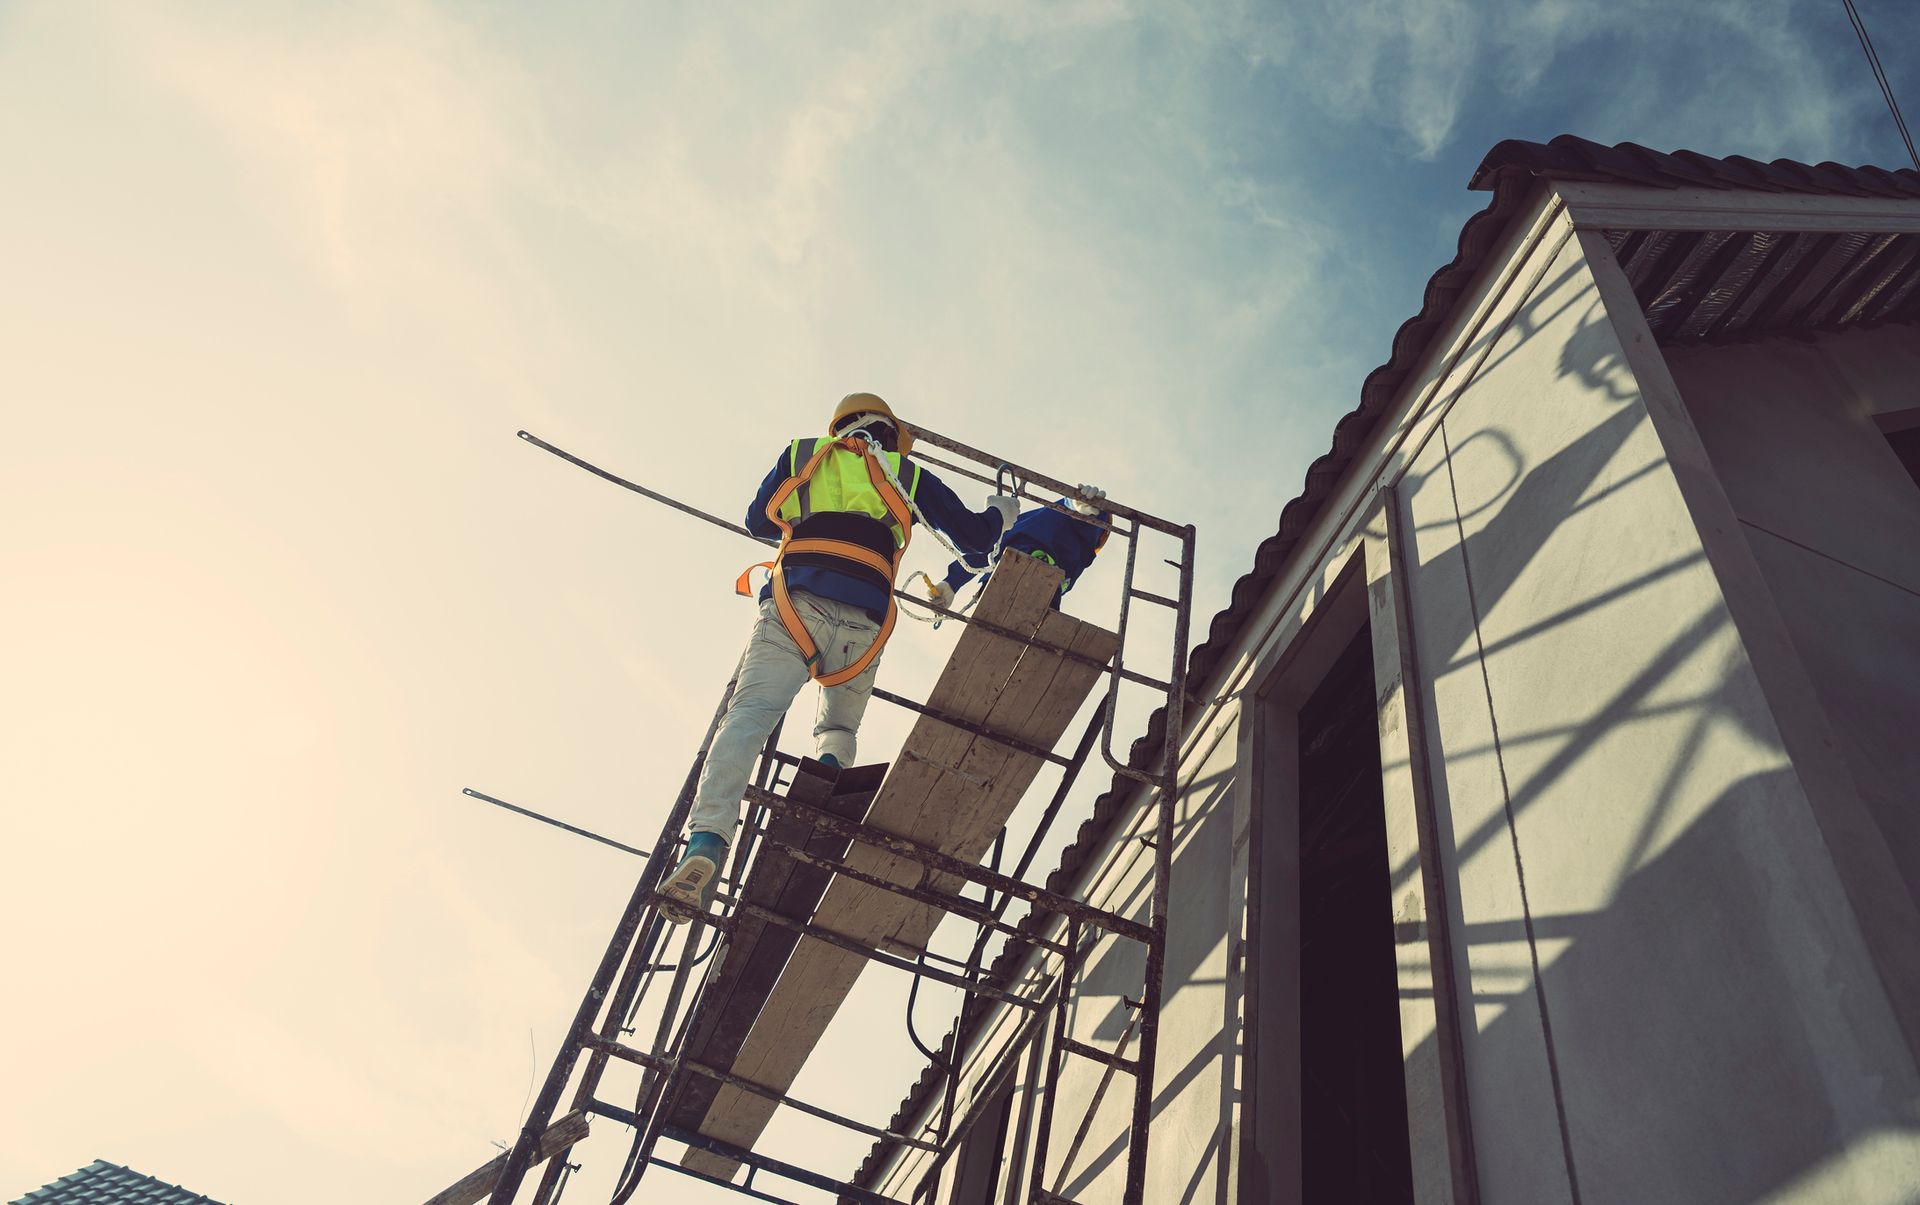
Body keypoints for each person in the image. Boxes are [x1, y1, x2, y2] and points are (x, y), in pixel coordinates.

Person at [659, 393, 1016, 922]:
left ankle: (706, 841)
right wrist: (1000, 514)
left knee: (748, 719)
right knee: (839, 729)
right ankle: (824, 781)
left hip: (794, 604)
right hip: (864, 619)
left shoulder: (806, 453)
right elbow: (975, 545)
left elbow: (760, 521)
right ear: (892, 433)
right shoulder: (906, 474)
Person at [927, 486, 1109, 612]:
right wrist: (952, 582)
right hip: (1007, 581)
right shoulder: (1051, 524)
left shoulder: (1075, 565)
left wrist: (952, 583)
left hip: (1028, 602)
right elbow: (1072, 516)